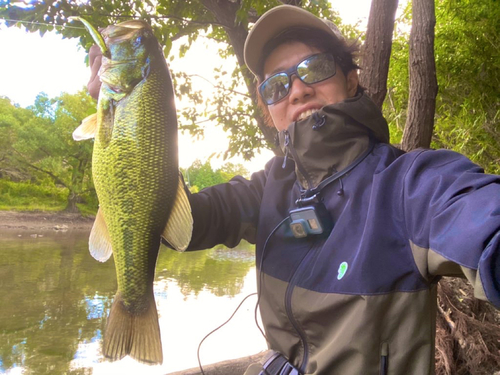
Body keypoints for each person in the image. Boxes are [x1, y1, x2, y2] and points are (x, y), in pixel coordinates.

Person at [86, 5, 500, 375]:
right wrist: (134, 135)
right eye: (276, 86)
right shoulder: (268, 188)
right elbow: (185, 226)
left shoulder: (409, 185)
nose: (297, 89)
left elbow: (479, 217)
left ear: (352, 80)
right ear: (268, 112)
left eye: (315, 69)